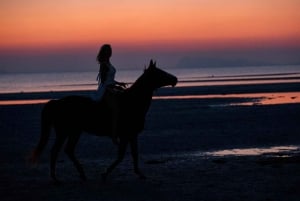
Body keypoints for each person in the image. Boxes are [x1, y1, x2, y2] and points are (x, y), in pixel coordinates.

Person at [95, 44, 126, 145]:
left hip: (112, 87)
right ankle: (113, 135)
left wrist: (118, 83)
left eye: (110, 50)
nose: (110, 52)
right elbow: (104, 82)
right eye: (108, 50)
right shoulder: (104, 64)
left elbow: (110, 79)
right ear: (105, 52)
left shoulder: (109, 63)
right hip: (105, 90)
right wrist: (111, 89)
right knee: (115, 109)